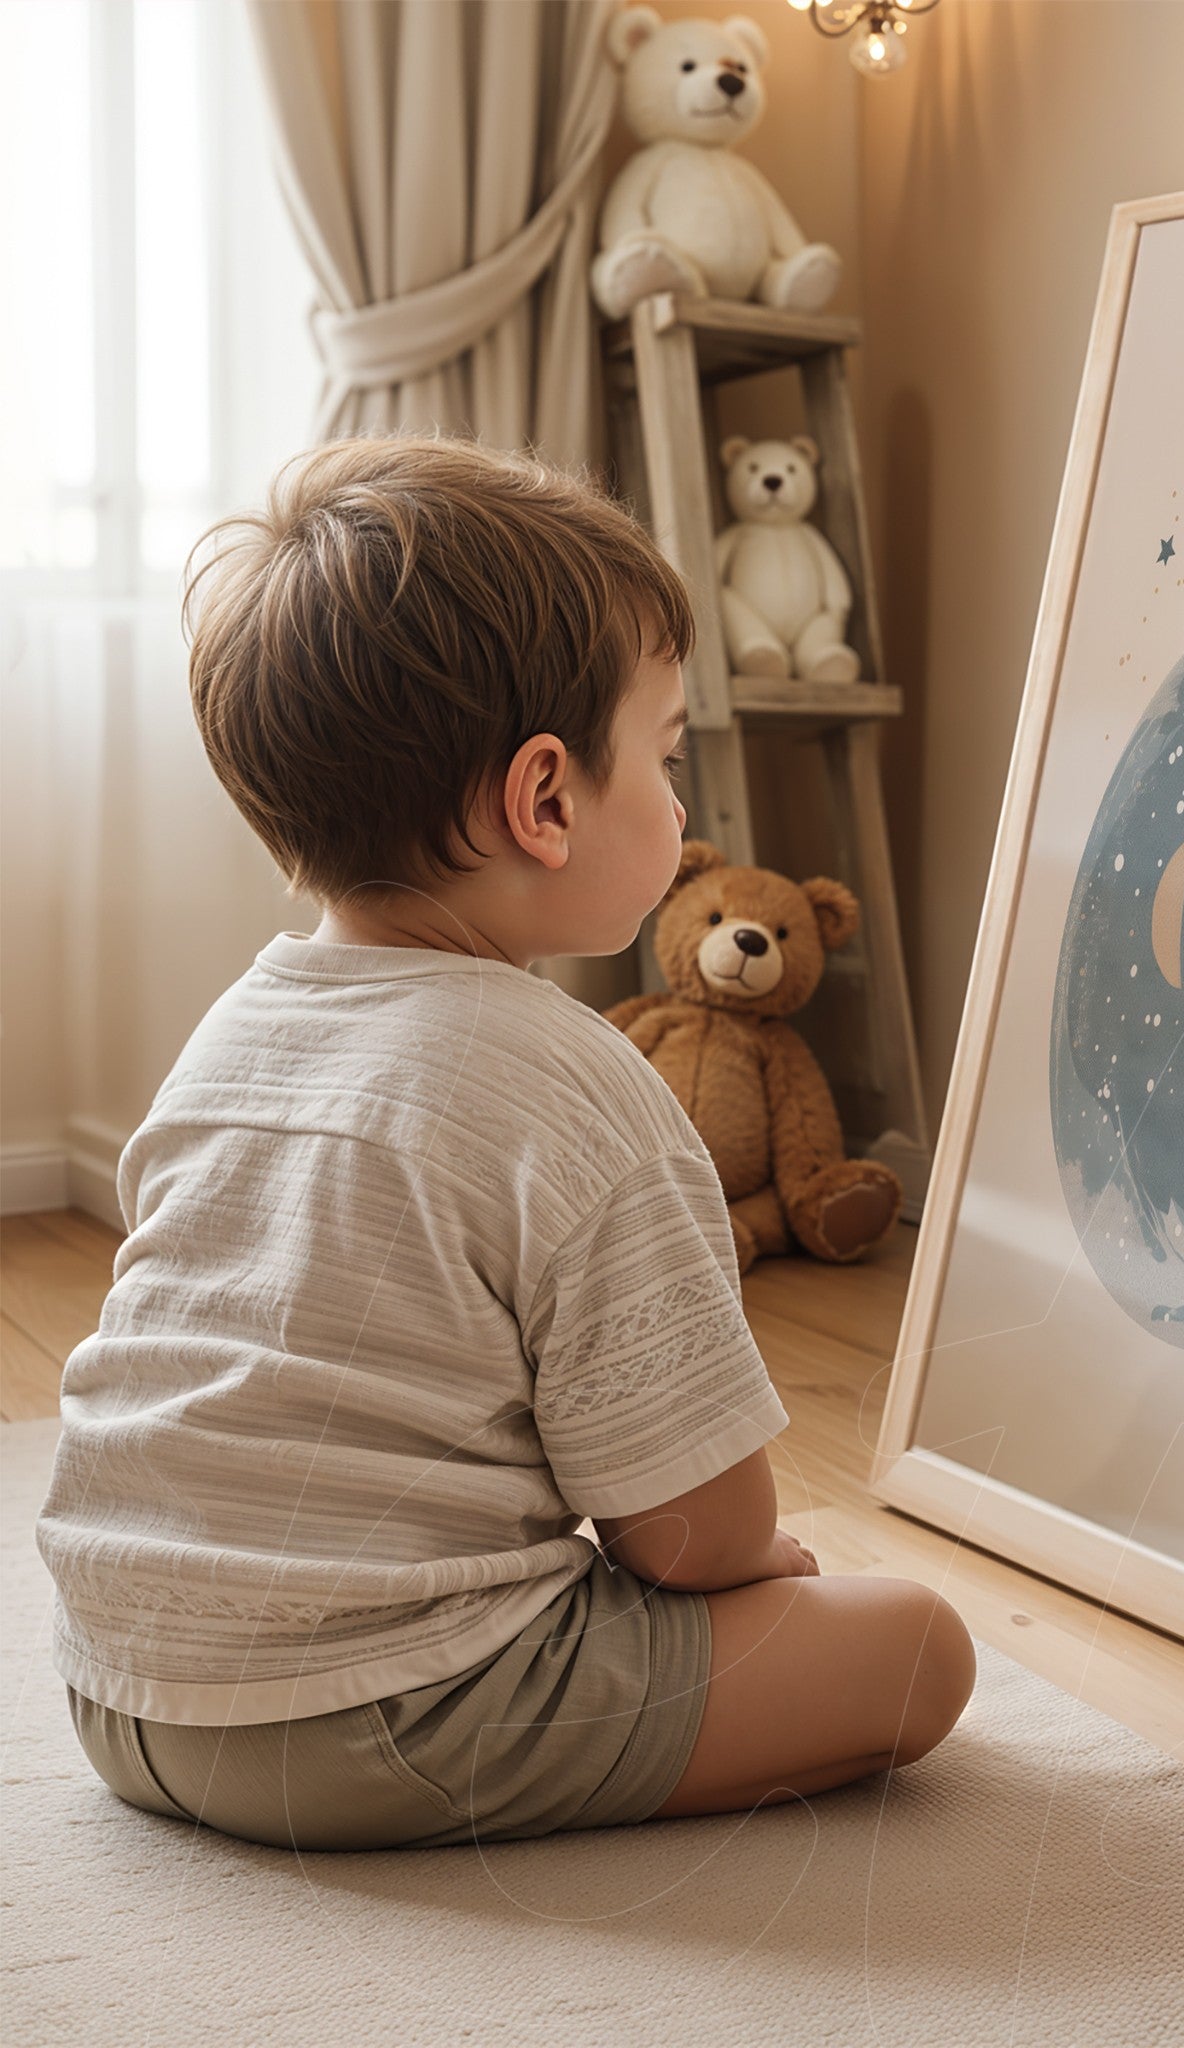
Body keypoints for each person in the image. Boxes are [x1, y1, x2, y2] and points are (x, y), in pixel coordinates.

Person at [34, 433, 975, 1851]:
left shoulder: (234, 1031)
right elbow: (688, 1537)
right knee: (916, 1647)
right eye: (664, 760)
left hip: (119, 1690)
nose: (681, 808)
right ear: (544, 803)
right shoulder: (575, 1084)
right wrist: (761, 1568)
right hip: (368, 1715)